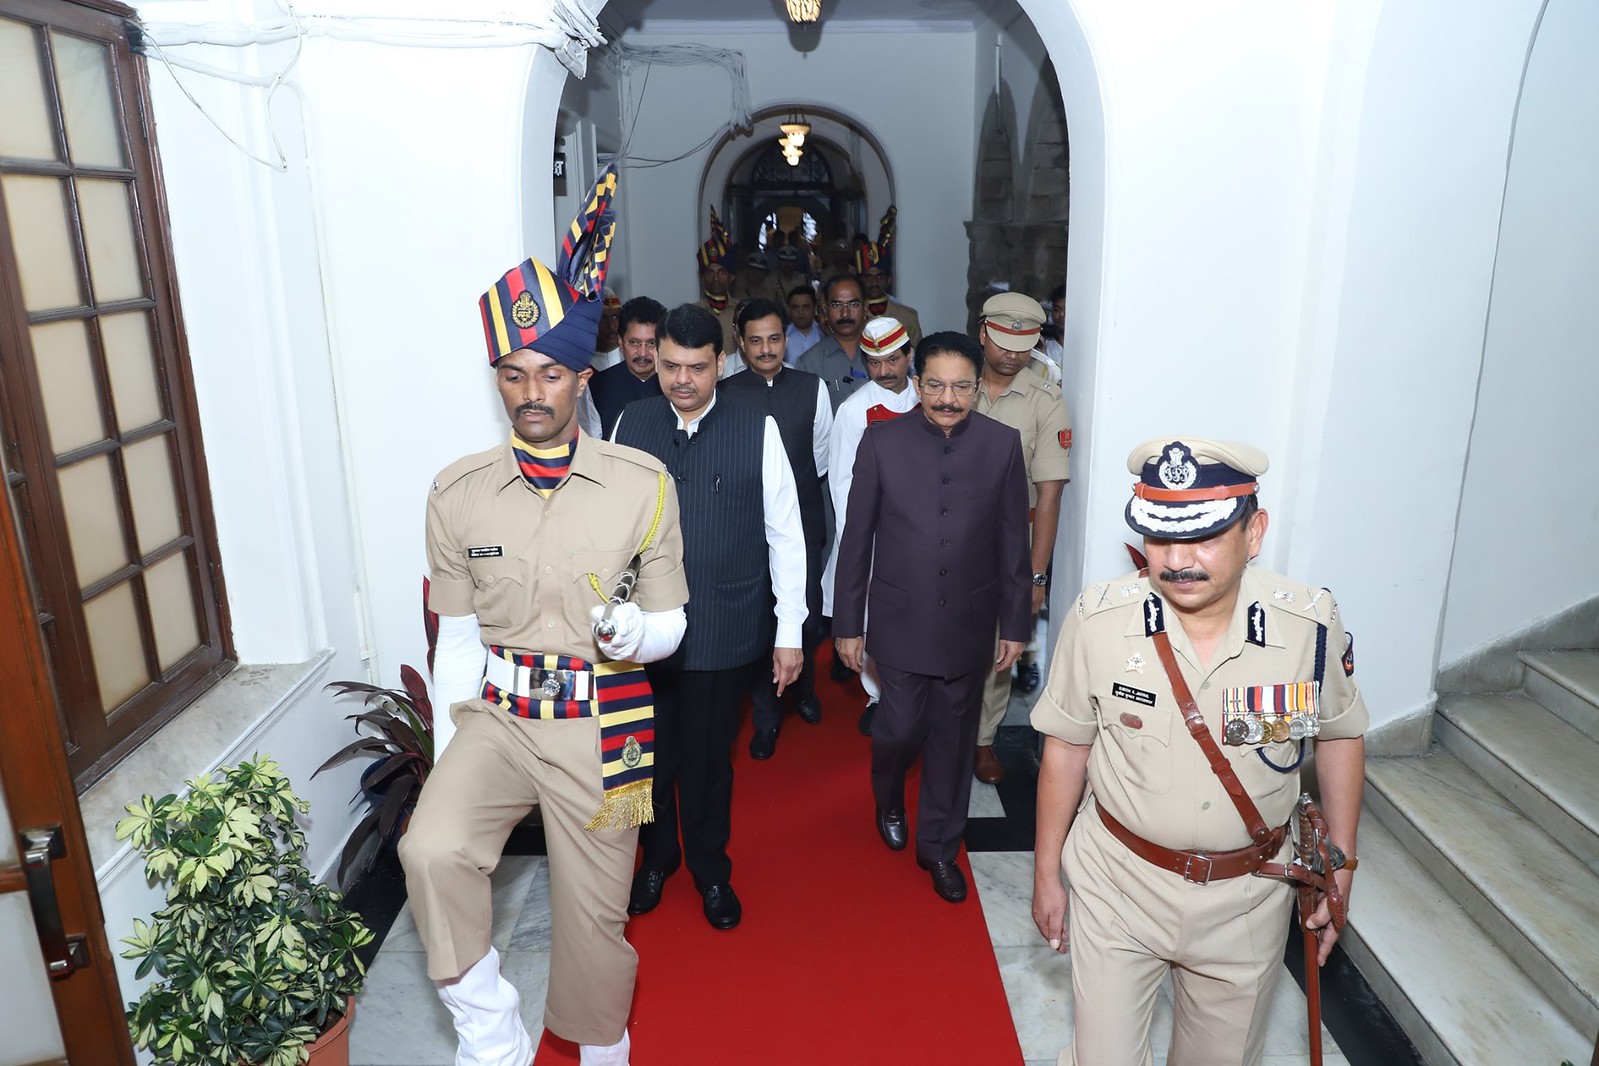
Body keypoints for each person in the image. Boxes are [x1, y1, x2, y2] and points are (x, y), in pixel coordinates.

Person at [402, 166, 689, 1066]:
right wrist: (448, 757)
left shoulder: (641, 484)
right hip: (500, 713)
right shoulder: (456, 493)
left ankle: (601, 1051)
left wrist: (636, 636)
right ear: (498, 378)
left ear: (579, 378)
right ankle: (490, 1031)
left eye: (551, 373)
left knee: (594, 924)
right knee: (431, 849)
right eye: (514, 373)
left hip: (606, 719)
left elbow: (671, 623)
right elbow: (455, 636)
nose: (532, 391)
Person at [1030, 437, 1367, 1066]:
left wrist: (1341, 860)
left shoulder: (1308, 627)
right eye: (1161, 539)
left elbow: (1340, 733)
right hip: (1119, 883)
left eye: (1204, 538)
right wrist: (1047, 871)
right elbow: (1067, 748)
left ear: (1254, 532)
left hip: (1248, 899)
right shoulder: (1100, 620)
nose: (1178, 561)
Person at [612, 303, 808, 930]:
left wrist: (789, 631)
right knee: (645, 758)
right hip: (643, 631)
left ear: (720, 363)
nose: (682, 380)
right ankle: (656, 858)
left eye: (696, 368)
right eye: (670, 366)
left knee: (706, 763)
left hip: (722, 628)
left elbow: (786, 535)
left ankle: (709, 870)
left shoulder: (757, 427)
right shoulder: (630, 422)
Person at [833, 331, 1031, 903]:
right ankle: (889, 796)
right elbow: (855, 541)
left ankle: (940, 848)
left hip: (970, 620)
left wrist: (1016, 624)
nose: (948, 399)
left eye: (961, 387)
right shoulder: (882, 441)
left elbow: (1012, 543)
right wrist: (847, 623)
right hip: (898, 618)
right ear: (918, 384)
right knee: (898, 728)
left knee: (954, 737)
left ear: (977, 387)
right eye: (937, 386)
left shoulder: (1001, 444)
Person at [719, 297, 833, 758]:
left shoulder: (812, 387)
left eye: (773, 339)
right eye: (755, 341)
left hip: (803, 521)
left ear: (786, 340)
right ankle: (766, 718)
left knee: (806, 615)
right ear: (740, 343)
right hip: (746, 527)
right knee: (762, 620)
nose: (766, 349)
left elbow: (820, 454)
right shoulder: (725, 393)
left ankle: (804, 689)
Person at [971, 292, 1072, 785]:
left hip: (1011, 536)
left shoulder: (1045, 400)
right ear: (982, 332)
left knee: (999, 644)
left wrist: (1036, 575)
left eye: (1023, 344)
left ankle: (983, 738)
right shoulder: (952, 382)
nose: (1012, 354)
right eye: (1003, 342)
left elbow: (1049, 495)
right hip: (942, 532)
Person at [821, 316, 919, 733]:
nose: (884, 370)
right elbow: (842, 483)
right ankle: (878, 695)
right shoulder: (853, 410)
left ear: (909, 356)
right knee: (873, 617)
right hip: (877, 532)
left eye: (893, 359)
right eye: (875, 362)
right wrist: (859, 542)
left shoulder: (929, 397)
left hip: (924, 530)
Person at [589, 296, 667, 439]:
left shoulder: (675, 386)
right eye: (634, 342)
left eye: (651, 343)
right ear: (620, 342)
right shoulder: (597, 387)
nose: (642, 353)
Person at [797, 274, 871, 410]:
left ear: (865, 307)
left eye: (853, 304)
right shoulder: (808, 363)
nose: (845, 313)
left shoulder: (884, 354)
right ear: (825, 310)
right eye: (836, 305)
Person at [854, 206, 923, 348]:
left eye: (879, 277)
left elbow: (917, 356)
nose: (874, 282)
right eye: (868, 277)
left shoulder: (908, 317)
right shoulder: (852, 318)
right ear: (860, 280)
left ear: (888, 280)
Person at [694, 209, 741, 365]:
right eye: (710, 272)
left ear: (731, 277)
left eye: (721, 272)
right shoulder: (693, 313)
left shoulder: (741, 311)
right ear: (702, 278)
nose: (715, 278)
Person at [785, 284, 825, 364]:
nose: (801, 312)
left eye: (806, 307)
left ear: (815, 308)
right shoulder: (782, 336)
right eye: (795, 307)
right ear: (789, 310)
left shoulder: (825, 333)